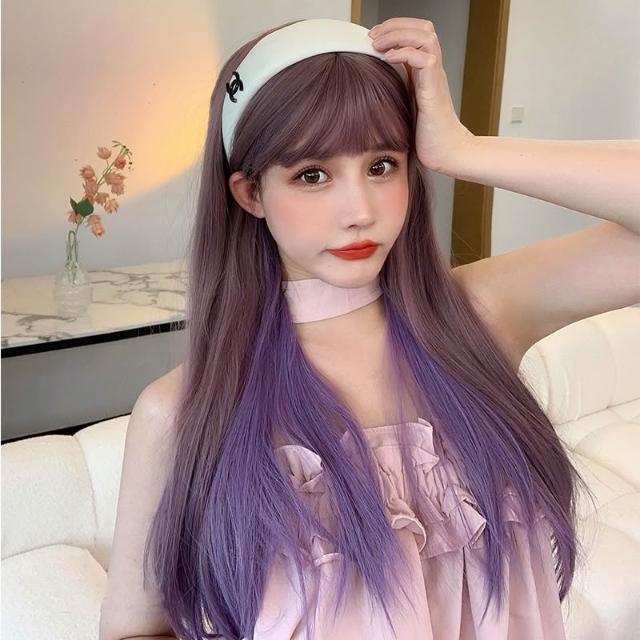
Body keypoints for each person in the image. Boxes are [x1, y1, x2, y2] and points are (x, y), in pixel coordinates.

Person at [100, 16, 639, 640]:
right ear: (251, 195)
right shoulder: (183, 410)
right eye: (312, 174)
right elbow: (135, 629)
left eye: (383, 165)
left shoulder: (476, 317)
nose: (360, 211)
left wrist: (462, 149)